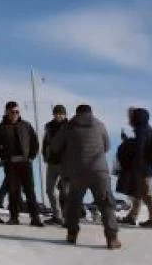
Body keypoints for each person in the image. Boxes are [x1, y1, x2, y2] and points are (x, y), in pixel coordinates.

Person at [51, 105, 120, 249]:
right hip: (99, 171)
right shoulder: (99, 125)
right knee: (106, 203)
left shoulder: (69, 126)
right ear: (91, 113)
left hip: (77, 171)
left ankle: (72, 234)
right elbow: (106, 146)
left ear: (76, 113)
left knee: (73, 203)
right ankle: (112, 238)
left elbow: (55, 146)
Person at [0, 101, 44, 226]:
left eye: (17, 112)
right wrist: (4, 157)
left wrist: (31, 157)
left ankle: (35, 218)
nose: (15, 114)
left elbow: (35, 142)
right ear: (7, 112)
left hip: (25, 163)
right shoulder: (1, 128)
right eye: (12, 112)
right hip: (10, 163)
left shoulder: (26, 125)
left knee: (29, 191)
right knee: (13, 191)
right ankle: (14, 217)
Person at [117, 108, 152, 229]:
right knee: (138, 192)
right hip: (144, 167)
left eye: (131, 117)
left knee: (147, 193)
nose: (129, 119)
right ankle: (132, 216)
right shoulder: (144, 130)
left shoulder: (142, 131)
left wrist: (127, 144)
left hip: (143, 168)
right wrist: (128, 141)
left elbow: (140, 150)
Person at [42, 104, 70, 226]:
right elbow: (45, 142)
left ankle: (69, 218)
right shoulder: (49, 126)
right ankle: (57, 215)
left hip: (65, 163)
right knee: (49, 190)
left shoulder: (69, 127)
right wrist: (44, 154)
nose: (58, 115)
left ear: (65, 114)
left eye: (61, 113)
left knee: (66, 192)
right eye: (56, 113)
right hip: (52, 162)